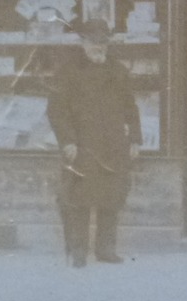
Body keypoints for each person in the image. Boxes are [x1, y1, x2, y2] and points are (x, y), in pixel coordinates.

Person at [46, 18, 143, 266]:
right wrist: (67, 141)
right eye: (93, 42)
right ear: (83, 42)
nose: (98, 48)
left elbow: (131, 107)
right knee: (78, 199)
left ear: (108, 43)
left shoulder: (118, 71)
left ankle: (105, 249)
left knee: (111, 197)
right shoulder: (68, 71)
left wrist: (135, 138)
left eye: (103, 43)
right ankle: (77, 251)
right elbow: (56, 111)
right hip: (81, 145)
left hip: (113, 145)